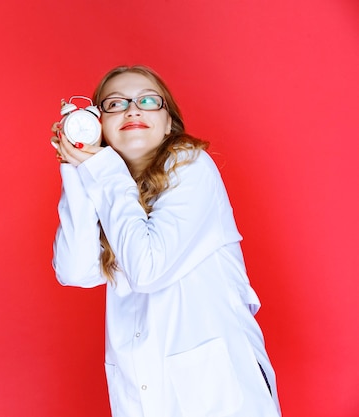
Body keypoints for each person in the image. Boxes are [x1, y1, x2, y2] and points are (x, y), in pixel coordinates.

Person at [50, 65, 282, 417]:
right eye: (114, 104)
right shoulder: (111, 188)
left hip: (219, 396)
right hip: (145, 397)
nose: (132, 109)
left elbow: (148, 269)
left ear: (169, 120)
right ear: (98, 126)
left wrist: (104, 170)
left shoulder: (191, 168)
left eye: (147, 100)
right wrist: (76, 167)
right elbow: (75, 270)